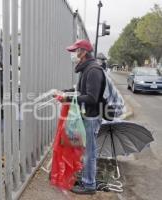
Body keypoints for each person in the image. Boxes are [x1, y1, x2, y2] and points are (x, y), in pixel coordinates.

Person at [61, 40, 106, 194]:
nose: (73, 54)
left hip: (92, 117)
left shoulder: (93, 70)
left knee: (90, 152)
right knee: (85, 149)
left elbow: (92, 98)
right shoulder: (86, 68)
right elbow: (82, 91)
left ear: (83, 52)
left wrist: (68, 99)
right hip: (87, 115)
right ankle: (87, 178)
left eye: (75, 51)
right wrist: (66, 92)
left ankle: (89, 185)